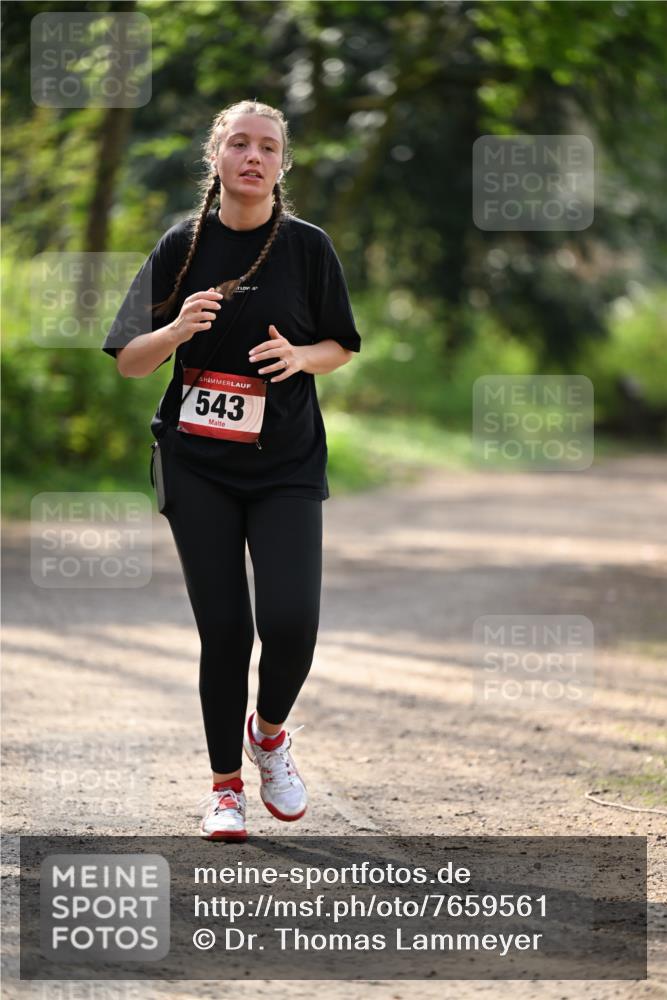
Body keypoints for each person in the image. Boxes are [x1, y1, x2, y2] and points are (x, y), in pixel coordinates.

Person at [102, 100, 362, 841]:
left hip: (283, 461)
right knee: (225, 631)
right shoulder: (180, 246)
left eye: (268, 147)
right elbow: (128, 361)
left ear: (282, 164)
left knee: (291, 624)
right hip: (196, 464)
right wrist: (177, 327)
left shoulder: (308, 248)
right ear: (215, 157)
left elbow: (341, 343)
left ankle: (270, 734)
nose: (254, 157)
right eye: (239, 144)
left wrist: (300, 357)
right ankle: (224, 789)